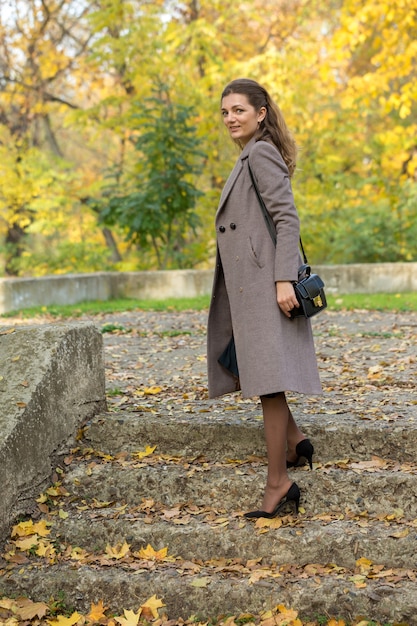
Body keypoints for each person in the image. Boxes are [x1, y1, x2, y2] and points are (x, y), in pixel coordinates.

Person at [206, 78, 322, 519]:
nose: (231, 118)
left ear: (260, 112)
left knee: (268, 383)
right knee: (248, 366)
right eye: (224, 112)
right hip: (248, 287)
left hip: (265, 287)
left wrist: (282, 280)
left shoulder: (261, 152)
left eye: (238, 110)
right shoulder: (248, 155)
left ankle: (278, 483)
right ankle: (295, 443)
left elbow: (287, 219)